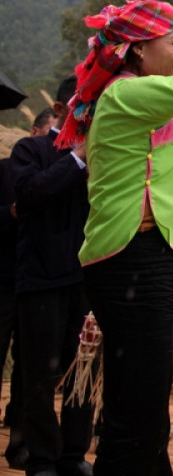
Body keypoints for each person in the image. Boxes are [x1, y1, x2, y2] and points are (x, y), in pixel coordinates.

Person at [56, 0, 173, 475]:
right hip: (131, 262)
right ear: (138, 50)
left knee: (139, 402)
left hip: (144, 258)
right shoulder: (126, 95)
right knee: (139, 407)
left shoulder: (144, 102)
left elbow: (155, 181)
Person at [10, 76, 94, 476]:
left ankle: (74, 454)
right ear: (61, 110)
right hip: (41, 278)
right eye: (83, 106)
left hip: (88, 280)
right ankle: (42, 458)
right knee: (39, 374)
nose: (90, 115)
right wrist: (77, 158)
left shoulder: (109, 155)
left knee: (83, 370)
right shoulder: (31, 149)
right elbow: (28, 196)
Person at [0, 155, 25, 470]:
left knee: (30, 368)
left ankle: (20, 444)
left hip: (39, 282)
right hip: (3, 281)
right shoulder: (5, 170)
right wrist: (10, 212)